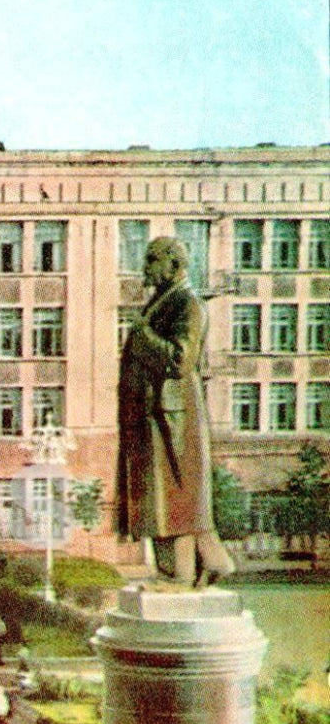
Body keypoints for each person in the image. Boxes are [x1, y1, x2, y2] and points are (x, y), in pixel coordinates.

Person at [114, 236, 235, 586]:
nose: (145, 267)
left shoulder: (188, 303)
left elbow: (181, 360)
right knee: (159, 497)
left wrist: (142, 336)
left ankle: (180, 574)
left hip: (172, 418)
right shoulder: (163, 300)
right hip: (154, 415)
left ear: (174, 265)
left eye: (152, 260)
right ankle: (202, 563)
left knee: (172, 498)